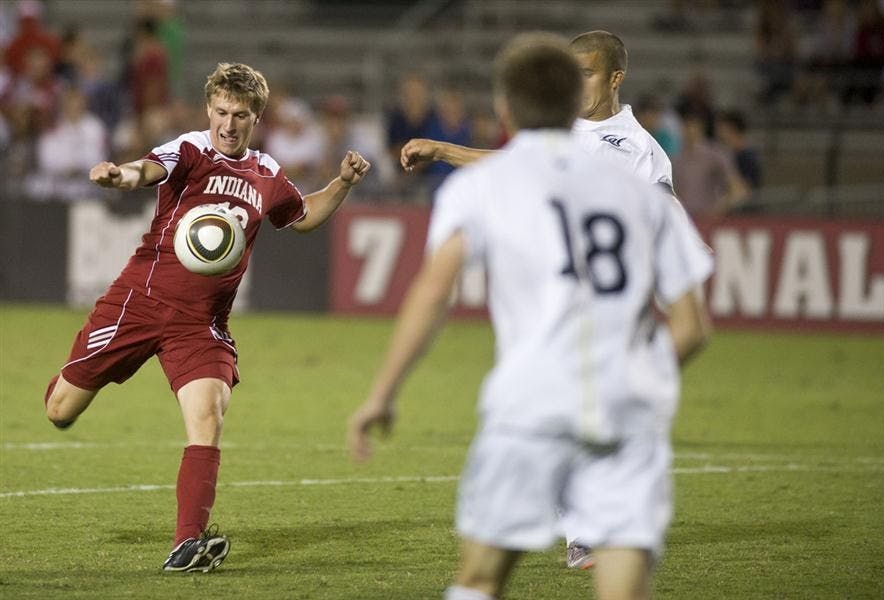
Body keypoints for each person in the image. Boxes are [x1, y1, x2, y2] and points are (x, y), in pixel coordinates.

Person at [348, 33, 713, 600]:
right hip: (625, 406)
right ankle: (581, 534)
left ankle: (577, 534)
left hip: (530, 401)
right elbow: (692, 323)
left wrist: (382, 391)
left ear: (504, 109)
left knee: (479, 579)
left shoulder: (501, 183)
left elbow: (433, 291)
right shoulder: (640, 192)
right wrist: (643, 376)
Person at [43, 62, 370, 573]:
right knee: (60, 411)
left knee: (208, 418)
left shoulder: (266, 174)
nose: (229, 123)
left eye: (241, 114)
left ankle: (187, 545)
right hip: (139, 302)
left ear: (256, 117)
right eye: (221, 111)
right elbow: (146, 169)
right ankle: (72, 378)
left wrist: (343, 183)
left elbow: (302, 216)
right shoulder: (191, 150)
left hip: (203, 325)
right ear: (209, 109)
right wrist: (119, 176)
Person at [673, 107, 748, 218]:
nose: (688, 130)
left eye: (692, 125)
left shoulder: (716, 154)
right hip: (686, 220)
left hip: (711, 220)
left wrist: (719, 209)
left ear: (701, 127)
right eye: (685, 125)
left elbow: (738, 189)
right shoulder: (676, 158)